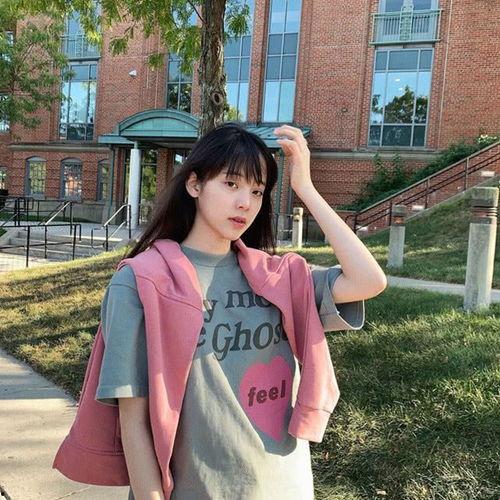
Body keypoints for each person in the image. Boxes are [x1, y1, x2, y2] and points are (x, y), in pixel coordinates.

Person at [94, 122, 387, 499]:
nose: (245, 202)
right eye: (231, 184)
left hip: (285, 487)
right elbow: (133, 419)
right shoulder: (141, 282)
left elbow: (369, 280)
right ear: (195, 184)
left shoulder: (281, 278)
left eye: (257, 191)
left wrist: (306, 189)